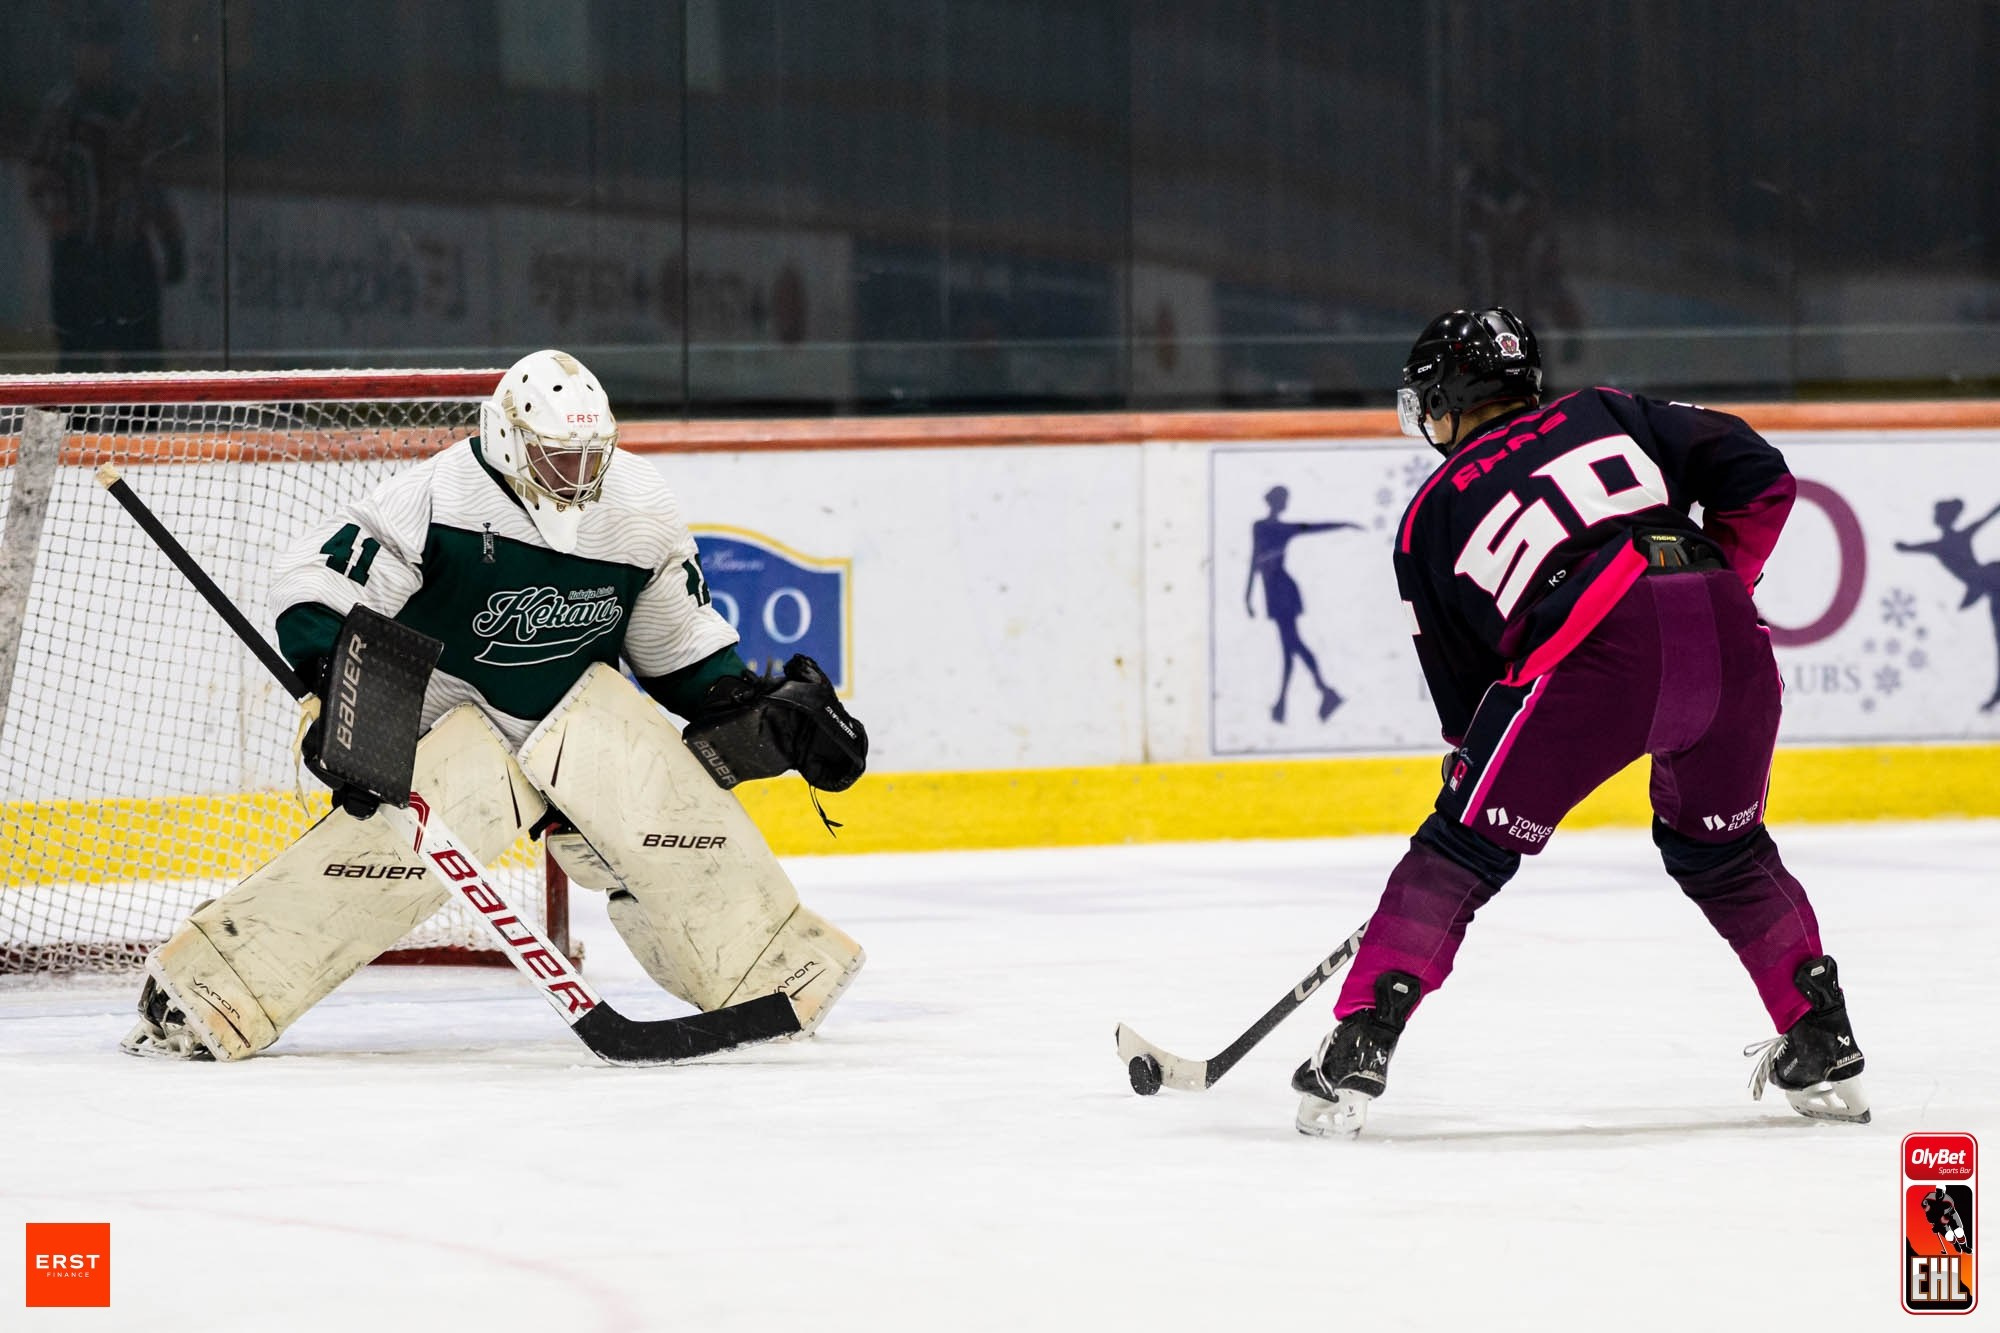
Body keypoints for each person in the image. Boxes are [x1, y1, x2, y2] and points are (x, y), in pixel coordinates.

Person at [123, 350, 869, 1061]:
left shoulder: (639, 506)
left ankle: (773, 971)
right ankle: (207, 990)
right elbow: (317, 585)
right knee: (377, 866)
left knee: (668, 812)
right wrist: (344, 699)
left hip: (575, 730)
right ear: (508, 440)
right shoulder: (437, 496)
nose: (579, 476)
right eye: (559, 457)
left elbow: (676, 648)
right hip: (441, 732)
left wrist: (747, 705)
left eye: (592, 457)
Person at [1290, 308, 1867, 1136]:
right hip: (1727, 634)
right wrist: (1714, 587)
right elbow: (1761, 473)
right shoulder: (1607, 408)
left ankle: (1360, 1039)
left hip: (1593, 649)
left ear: (1447, 398)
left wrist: (1474, 782)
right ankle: (1821, 1027)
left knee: (1461, 849)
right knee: (1726, 851)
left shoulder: (1429, 516)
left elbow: (1470, 694)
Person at [1246, 486, 1359, 723]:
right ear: (1275, 502)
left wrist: (1344, 524)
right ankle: (1306, 698)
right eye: (1283, 500)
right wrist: (1247, 595)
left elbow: (1314, 527)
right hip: (1275, 592)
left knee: (1291, 644)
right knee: (1290, 647)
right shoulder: (1262, 527)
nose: (1285, 504)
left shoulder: (1278, 528)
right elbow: (1253, 561)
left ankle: (1311, 695)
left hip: (1283, 591)